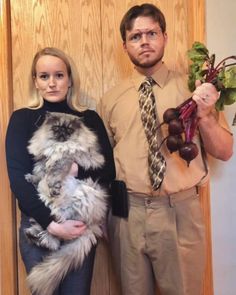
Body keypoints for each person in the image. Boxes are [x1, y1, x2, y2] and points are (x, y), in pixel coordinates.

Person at [98, 3, 233, 295]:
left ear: (165, 38)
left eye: (152, 33)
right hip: (127, 216)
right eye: (135, 36)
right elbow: (105, 167)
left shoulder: (194, 89)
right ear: (125, 46)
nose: (144, 41)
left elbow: (224, 151)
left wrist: (205, 115)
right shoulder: (110, 100)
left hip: (180, 212)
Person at [5, 47, 115, 295]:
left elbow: (108, 171)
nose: (52, 83)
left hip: (80, 225)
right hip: (39, 225)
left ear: (70, 79)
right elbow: (18, 179)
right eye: (44, 76)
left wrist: (74, 170)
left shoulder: (89, 117)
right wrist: (51, 225)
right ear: (35, 81)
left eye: (59, 75)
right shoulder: (22, 119)